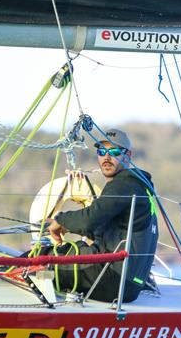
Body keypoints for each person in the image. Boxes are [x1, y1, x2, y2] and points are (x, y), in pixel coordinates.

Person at [45, 129, 158, 302]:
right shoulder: (142, 186)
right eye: (101, 152)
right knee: (62, 252)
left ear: (128, 155)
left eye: (114, 152)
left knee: (38, 260)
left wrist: (61, 220)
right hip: (131, 284)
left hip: (110, 277)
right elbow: (113, 228)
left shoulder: (123, 185)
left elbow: (90, 219)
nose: (106, 157)